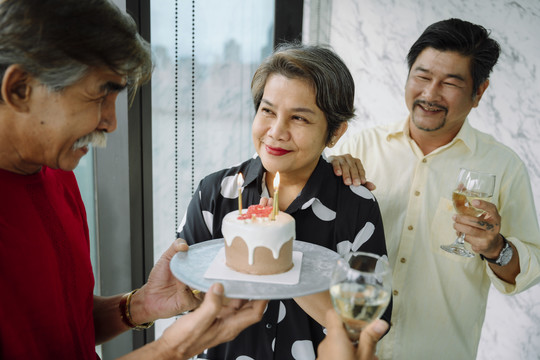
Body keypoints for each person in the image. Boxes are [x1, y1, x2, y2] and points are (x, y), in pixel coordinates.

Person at [0, 1, 267, 359]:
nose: (110, 121)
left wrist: (138, 306)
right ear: (19, 88)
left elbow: (59, 327)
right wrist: (172, 349)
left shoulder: (57, 176)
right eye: (99, 94)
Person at [328, 18, 540, 359]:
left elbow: (529, 270)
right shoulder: (359, 148)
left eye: (450, 83)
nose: (429, 93)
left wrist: (496, 247)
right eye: (422, 76)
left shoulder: (503, 166)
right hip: (349, 351)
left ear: (479, 92)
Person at [177, 43, 390, 359]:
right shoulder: (215, 193)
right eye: (267, 110)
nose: (276, 132)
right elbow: (186, 295)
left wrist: (284, 266)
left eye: (300, 119)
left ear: (334, 133)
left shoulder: (356, 205)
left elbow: (368, 325)